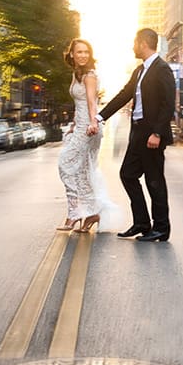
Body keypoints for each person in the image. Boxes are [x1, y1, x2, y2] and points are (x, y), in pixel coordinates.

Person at [99, 28, 177, 241]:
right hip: (138, 132)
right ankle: (142, 222)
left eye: (135, 43)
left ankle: (161, 227)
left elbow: (168, 104)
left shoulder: (162, 69)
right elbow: (123, 95)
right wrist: (100, 116)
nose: (132, 47)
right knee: (127, 174)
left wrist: (158, 133)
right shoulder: (139, 71)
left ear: (143, 43)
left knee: (154, 181)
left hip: (152, 134)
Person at [56, 39, 124, 233]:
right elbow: (79, 105)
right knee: (83, 171)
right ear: (72, 55)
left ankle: (74, 213)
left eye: (86, 52)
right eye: (79, 52)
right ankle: (92, 213)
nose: (83, 55)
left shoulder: (89, 76)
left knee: (66, 164)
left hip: (89, 128)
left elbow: (92, 103)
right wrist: (75, 123)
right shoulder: (77, 75)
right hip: (80, 126)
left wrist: (93, 122)